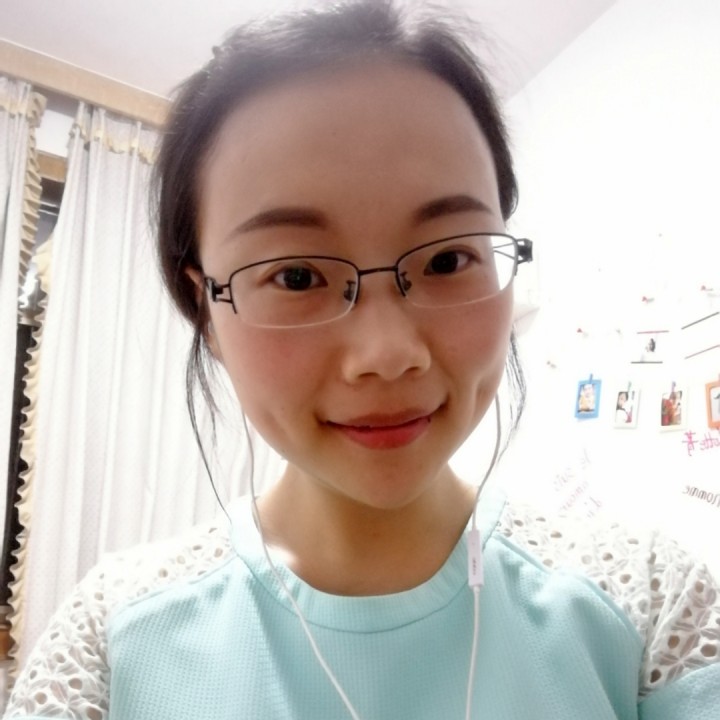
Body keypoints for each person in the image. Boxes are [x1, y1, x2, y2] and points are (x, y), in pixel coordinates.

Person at [4, 2, 719, 718]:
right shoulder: (110, 645)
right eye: (296, 276)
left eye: (448, 259)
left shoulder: (653, 607)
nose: (388, 355)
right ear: (207, 312)